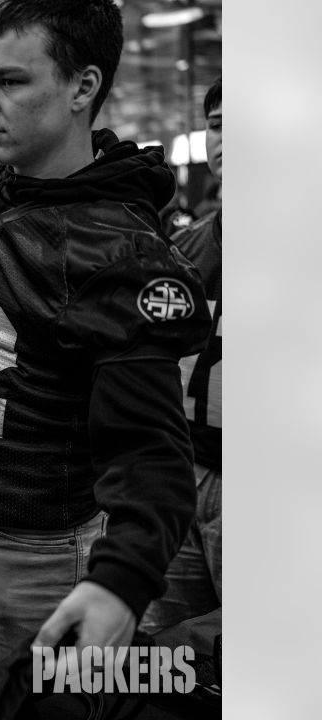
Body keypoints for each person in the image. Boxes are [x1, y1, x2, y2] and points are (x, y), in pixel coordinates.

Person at [0, 1, 212, 717]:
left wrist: (122, 579)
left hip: (37, 555)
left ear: (82, 87)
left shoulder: (115, 252)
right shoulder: (2, 181)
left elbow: (152, 450)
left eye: (10, 82)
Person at [139, 77, 222, 640]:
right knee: (164, 656)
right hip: (178, 476)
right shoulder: (185, 252)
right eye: (217, 125)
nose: (227, 141)